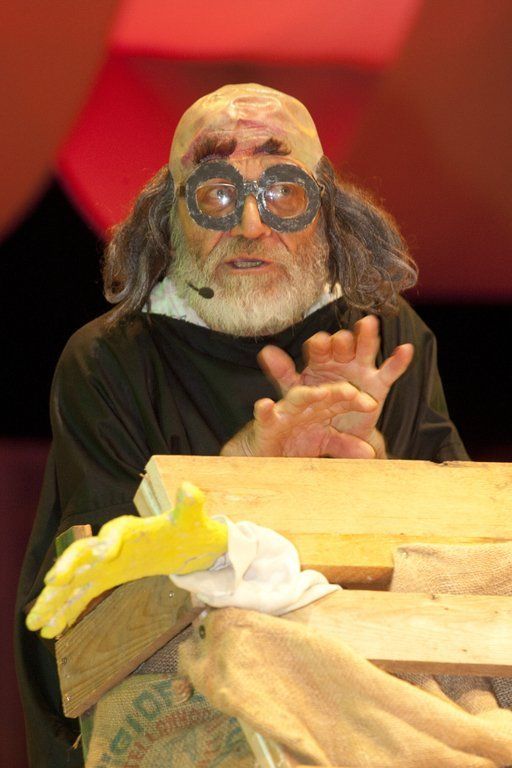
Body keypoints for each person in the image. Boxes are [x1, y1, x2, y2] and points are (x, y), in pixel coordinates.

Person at [15, 83, 468, 767]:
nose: (251, 226)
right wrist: (242, 475)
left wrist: (374, 484)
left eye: (282, 191)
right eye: (217, 194)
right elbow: (83, 620)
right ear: (170, 217)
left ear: (328, 211)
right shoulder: (111, 361)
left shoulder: (386, 340)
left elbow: (465, 581)